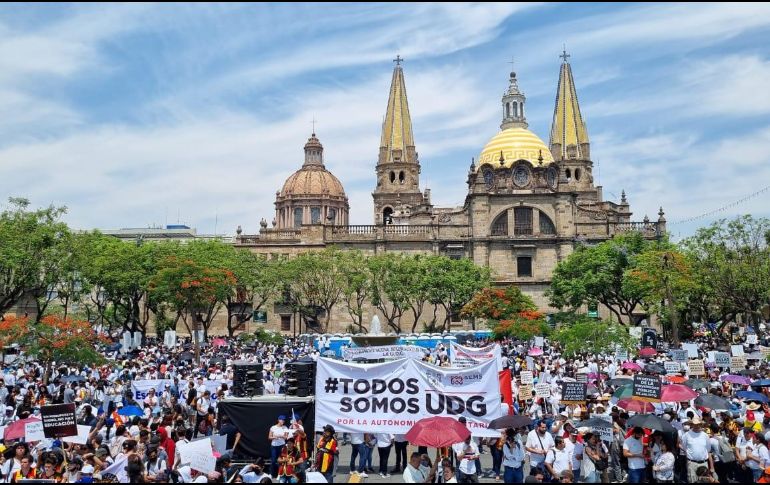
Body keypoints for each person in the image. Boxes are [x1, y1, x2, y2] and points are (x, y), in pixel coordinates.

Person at [682, 417, 714, 483]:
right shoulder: (686, 435)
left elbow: (708, 451)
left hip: (704, 463)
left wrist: (711, 466)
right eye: (694, 424)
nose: (696, 426)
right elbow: (685, 448)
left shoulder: (705, 435)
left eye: (698, 424)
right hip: (692, 463)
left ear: (701, 424)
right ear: (691, 425)